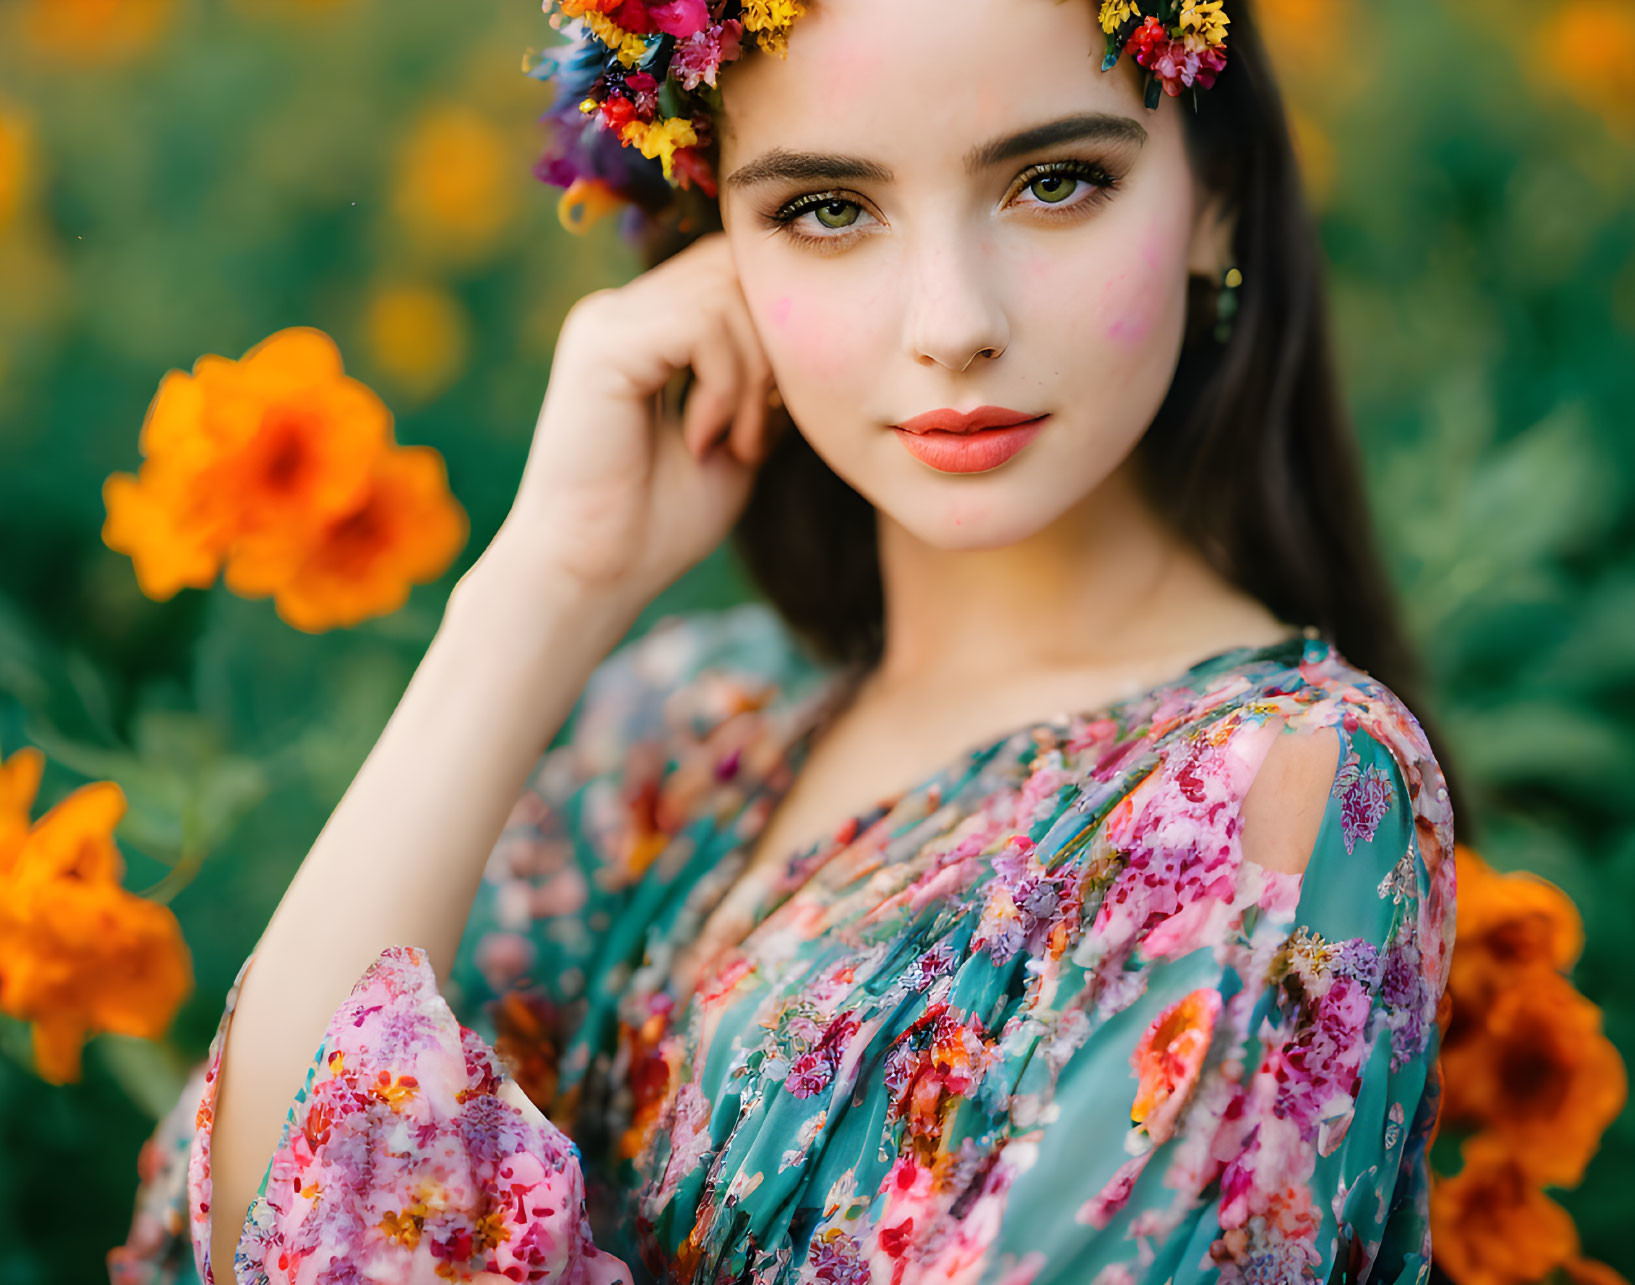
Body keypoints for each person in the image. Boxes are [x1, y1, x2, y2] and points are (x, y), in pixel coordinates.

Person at [108, 0, 1462, 1282]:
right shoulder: (677, 723)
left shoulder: (1280, 789)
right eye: (827, 208)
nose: (954, 325)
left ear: (1214, 195)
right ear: (716, 250)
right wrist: (535, 596)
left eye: (1054, 181)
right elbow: (257, 1225)